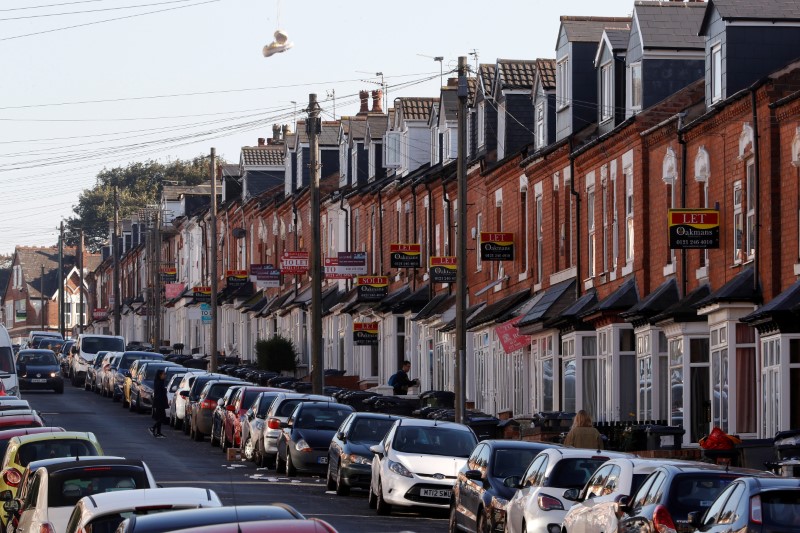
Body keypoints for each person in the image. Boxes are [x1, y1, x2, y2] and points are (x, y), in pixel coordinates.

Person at [149, 369, 168, 438]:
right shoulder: (158, 382)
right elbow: (159, 393)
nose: (165, 376)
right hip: (159, 402)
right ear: (160, 375)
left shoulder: (161, 382)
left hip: (161, 402)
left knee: (160, 417)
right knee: (162, 417)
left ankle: (158, 432)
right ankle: (153, 428)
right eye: (164, 374)